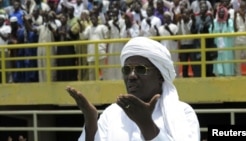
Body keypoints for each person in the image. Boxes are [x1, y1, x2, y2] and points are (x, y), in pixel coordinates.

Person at [66, 37, 200, 141]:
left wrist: (146, 125)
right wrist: (90, 122)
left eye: (141, 69)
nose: (131, 76)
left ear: (160, 75)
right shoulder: (111, 114)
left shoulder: (183, 113)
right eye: (127, 70)